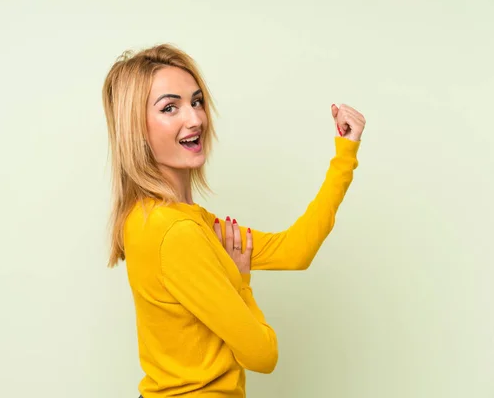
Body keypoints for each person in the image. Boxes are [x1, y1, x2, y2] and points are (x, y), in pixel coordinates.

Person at [101, 43, 365, 398]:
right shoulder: (175, 232)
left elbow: (293, 251)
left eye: (196, 101)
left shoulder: (161, 219)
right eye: (169, 108)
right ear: (137, 129)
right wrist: (241, 281)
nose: (195, 119)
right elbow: (262, 354)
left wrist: (344, 156)